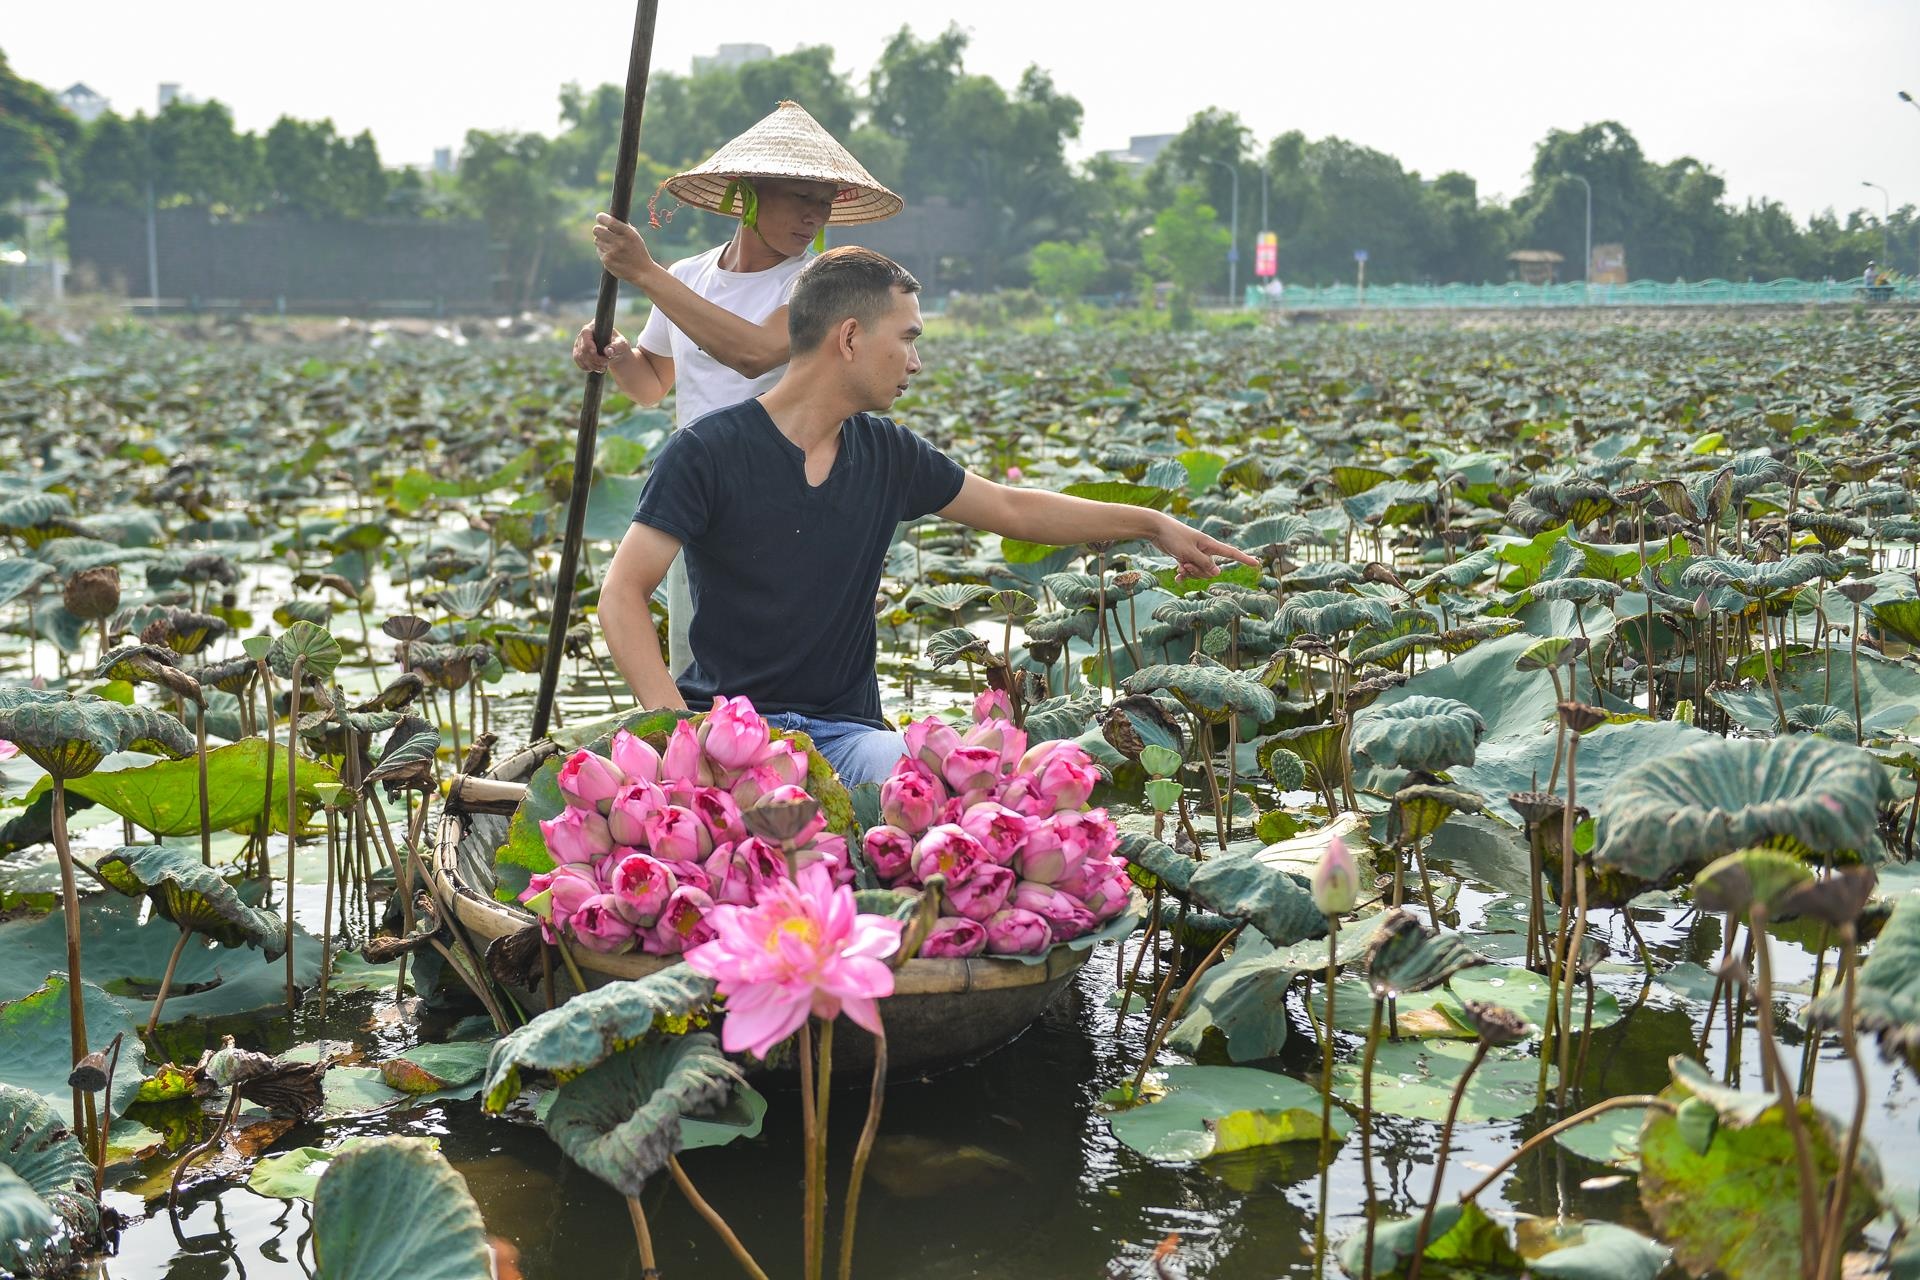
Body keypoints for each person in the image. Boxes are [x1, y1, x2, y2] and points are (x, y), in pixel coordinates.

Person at [597, 247, 1257, 786]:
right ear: (850, 337)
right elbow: (623, 592)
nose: (916, 361)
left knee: (954, 789)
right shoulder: (707, 451)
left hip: (850, 740)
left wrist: (1149, 523)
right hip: (734, 738)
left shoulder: (888, 452)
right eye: (908, 339)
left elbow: (1008, 506)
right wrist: (681, 735)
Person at [571, 100, 902, 678]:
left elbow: (754, 354)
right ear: (747, 192)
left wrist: (643, 273)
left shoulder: (812, 284)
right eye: (801, 199)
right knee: (694, 664)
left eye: (823, 206)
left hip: (779, 496)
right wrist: (615, 354)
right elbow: (652, 385)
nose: (813, 220)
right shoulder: (690, 278)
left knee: (768, 674)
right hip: (698, 491)